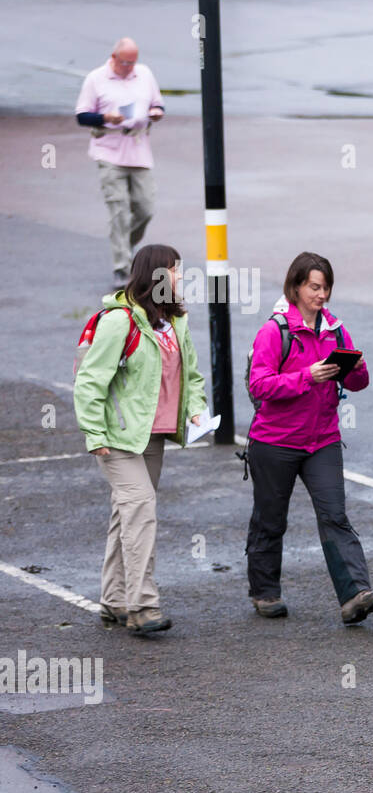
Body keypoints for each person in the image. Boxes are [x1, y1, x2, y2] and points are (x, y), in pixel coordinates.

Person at [244, 252, 373, 626]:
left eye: (325, 287)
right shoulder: (274, 331)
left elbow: (357, 384)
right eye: (314, 286)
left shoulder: (337, 330)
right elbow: (259, 384)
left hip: (321, 440)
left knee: (334, 515)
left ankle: (356, 594)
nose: (321, 294)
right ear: (295, 287)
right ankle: (265, 592)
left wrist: (357, 369)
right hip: (274, 442)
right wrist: (307, 376)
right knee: (270, 520)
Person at [74, 244, 208, 635]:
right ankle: (142, 606)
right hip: (117, 437)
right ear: (156, 276)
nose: (181, 277)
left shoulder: (174, 322)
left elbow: (192, 377)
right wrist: (94, 433)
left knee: (126, 514)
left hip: (153, 435)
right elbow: (90, 381)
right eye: (175, 270)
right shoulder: (119, 321)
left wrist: (196, 409)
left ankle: (114, 600)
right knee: (142, 509)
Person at [74, 38, 166, 289]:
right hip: (109, 149)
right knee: (119, 210)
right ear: (113, 58)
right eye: (125, 62)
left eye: (133, 62)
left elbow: (157, 102)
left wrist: (156, 112)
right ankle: (121, 268)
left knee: (145, 208)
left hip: (138, 148)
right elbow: (82, 116)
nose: (129, 67)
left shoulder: (144, 74)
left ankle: (125, 242)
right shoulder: (96, 78)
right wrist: (105, 117)